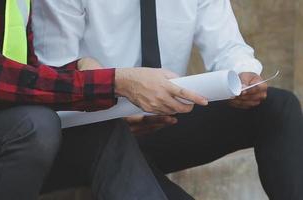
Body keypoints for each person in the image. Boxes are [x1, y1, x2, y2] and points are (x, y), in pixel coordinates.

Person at [32, 0, 303, 199]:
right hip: (93, 128)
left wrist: (244, 74)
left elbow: (228, 46)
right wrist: (111, 105)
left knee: (277, 106)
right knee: (109, 136)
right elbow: (54, 76)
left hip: (164, 120)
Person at [0, 0, 209, 200]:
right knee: (33, 125)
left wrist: (81, 68)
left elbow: (27, 76)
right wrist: (117, 82)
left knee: (99, 126)